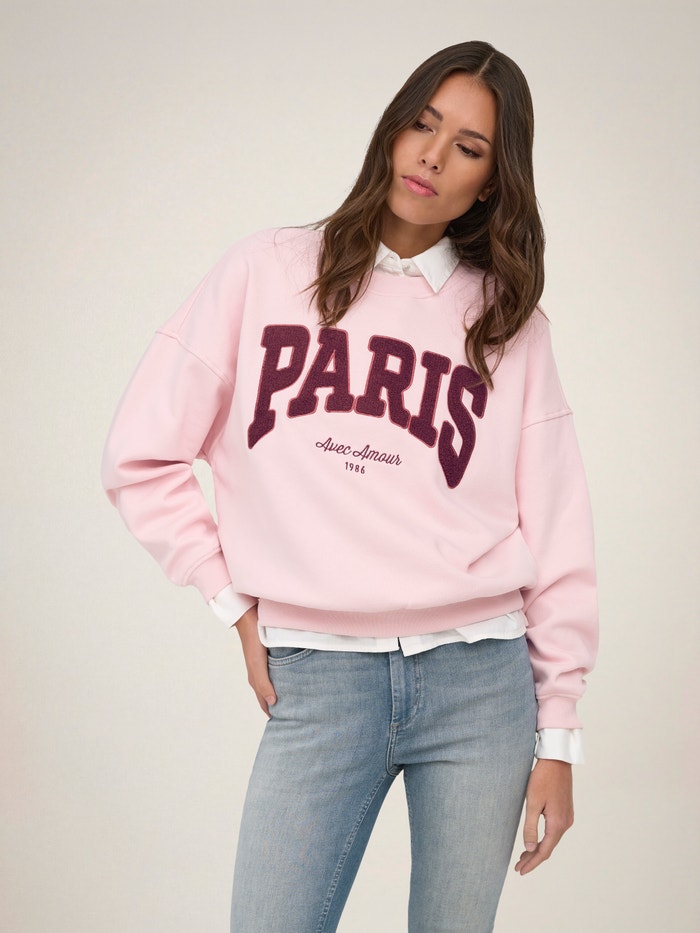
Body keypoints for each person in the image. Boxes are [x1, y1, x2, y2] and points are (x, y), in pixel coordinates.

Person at [102, 40, 597, 933]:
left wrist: (557, 736)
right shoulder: (266, 271)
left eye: (468, 147)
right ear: (393, 127)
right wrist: (233, 604)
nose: (432, 156)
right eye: (423, 124)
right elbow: (141, 455)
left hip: (481, 686)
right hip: (319, 678)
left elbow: (559, 535)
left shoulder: (510, 326)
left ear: (491, 182)